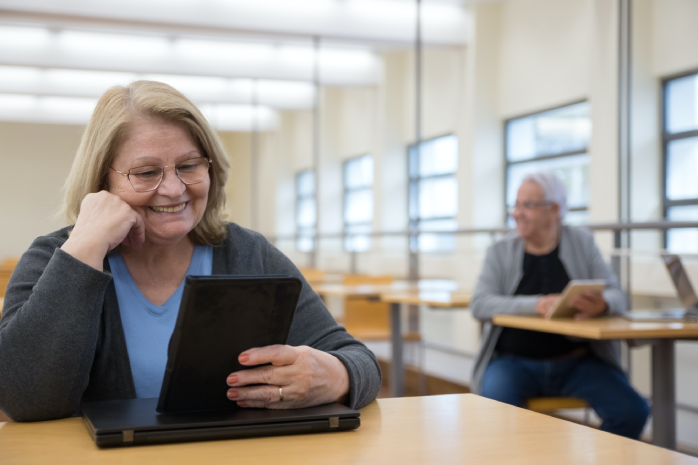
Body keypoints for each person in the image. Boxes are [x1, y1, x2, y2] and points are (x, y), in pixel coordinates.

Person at [0, 81, 381, 422]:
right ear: (101, 181)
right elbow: (24, 400)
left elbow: (361, 362)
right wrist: (85, 246)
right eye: (147, 173)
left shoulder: (247, 253)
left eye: (189, 165)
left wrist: (335, 376)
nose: (174, 189)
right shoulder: (54, 258)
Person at [470, 172, 649, 439]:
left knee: (633, 411)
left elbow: (618, 296)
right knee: (496, 414)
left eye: (526, 206)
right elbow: (480, 304)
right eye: (516, 205)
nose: (516, 213)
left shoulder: (583, 242)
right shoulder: (500, 250)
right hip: (513, 363)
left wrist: (602, 305)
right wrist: (538, 304)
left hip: (579, 363)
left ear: (554, 210)